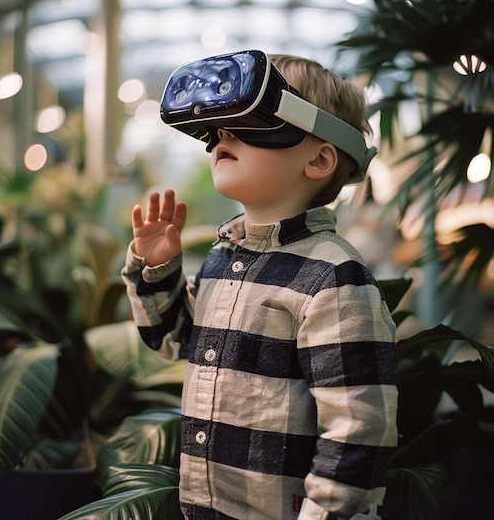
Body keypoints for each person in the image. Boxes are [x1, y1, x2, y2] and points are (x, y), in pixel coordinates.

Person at [121, 51, 398, 520]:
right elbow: (173, 339)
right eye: (218, 128)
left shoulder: (333, 278)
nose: (222, 136)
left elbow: (356, 432)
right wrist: (156, 269)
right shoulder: (222, 258)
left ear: (319, 159)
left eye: (250, 122)